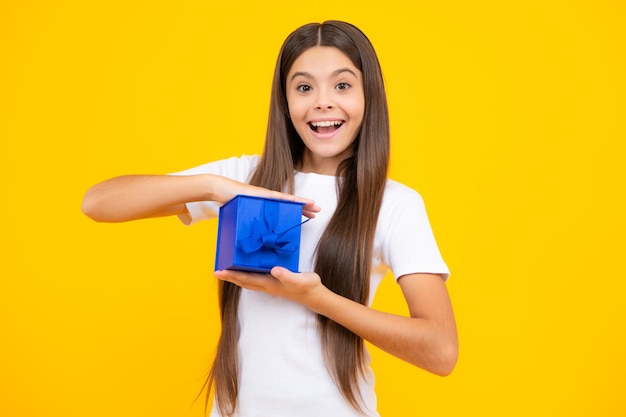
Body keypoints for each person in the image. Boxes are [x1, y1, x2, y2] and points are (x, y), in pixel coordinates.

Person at [82, 20, 458, 417]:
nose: (322, 102)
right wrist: (213, 186)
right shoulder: (245, 177)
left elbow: (440, 351)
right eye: (304, 87)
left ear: (369, 96)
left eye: (342, 85)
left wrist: (316, 299)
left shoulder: (394, 204)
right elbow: (99, 203)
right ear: (285, 101)